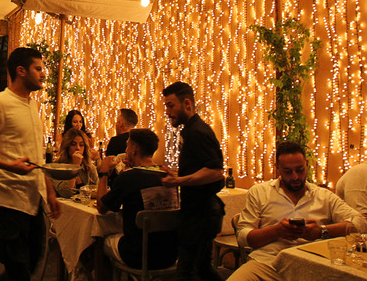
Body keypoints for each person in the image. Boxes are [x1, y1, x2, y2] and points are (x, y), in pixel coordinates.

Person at [0, 47, 61, 280]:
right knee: (18, 268)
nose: (44, 74)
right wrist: (8, 165)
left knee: (33, 259)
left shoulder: (33, 106)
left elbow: (36, 155)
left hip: (33, 199)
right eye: (38, 68)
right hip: (7, 198)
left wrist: (50, 191)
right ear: (21, 71)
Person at [229, 141, 367, 281]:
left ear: (307, 164)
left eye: (300, 170)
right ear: (277, 168)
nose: (295, 177)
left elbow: (361, 223)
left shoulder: (324, 196)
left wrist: (321, 231)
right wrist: (277, 231)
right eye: (287, 171)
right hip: (267, 264)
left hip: (312, 267)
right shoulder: (259, 192)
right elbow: (243, 236)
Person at [160, 81, 225, 281]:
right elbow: (201, 168)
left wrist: (179, 180)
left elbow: (215, 172)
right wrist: (178, 174)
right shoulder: (190, 130)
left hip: (201, 215)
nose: (168, 112)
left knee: (188, 272)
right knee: (202, 270)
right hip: (198, 213)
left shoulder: (197, 132)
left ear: (187, 103)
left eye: (171, 105)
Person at [96, 129, 179, 270]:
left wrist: (103, 172)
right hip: (171, 255)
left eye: (127, 146)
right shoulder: (168, 175)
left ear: (134, 149)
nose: (126, 150)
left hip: (138, 256)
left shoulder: (129, 177)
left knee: (99, 239)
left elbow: (102, 207)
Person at [51, 128, 98, 198]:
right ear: (67, 147)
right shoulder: (57, 168)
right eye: (73, 144)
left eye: (81, 145)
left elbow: (98, 191)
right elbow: (65, 193)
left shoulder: (90, 167)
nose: (78, 148)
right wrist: (75, 166)